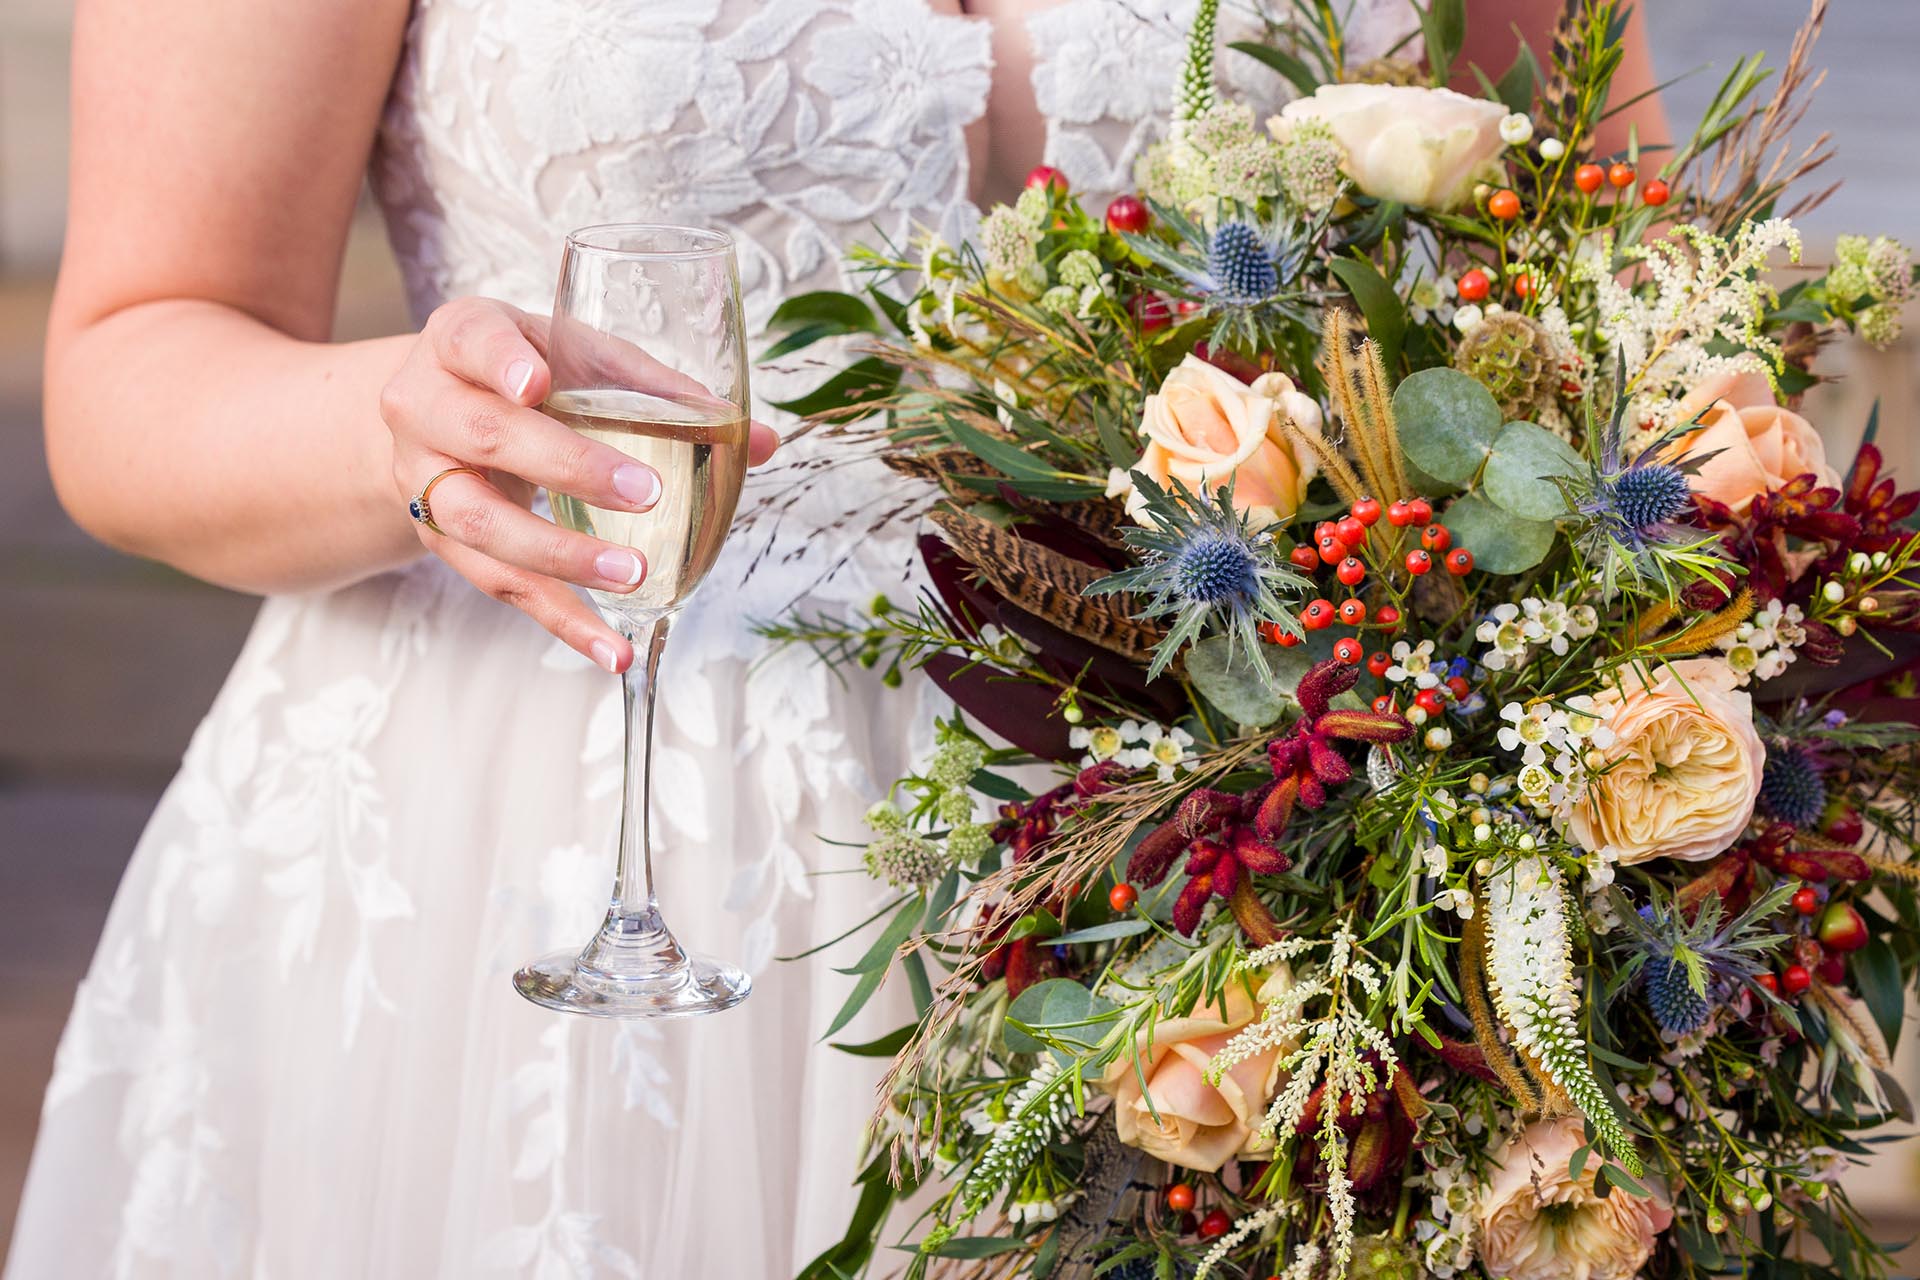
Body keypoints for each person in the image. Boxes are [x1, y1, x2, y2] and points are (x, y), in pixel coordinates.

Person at [8, 1, 1661, 1275]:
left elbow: (1625, 275)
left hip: (1282, 852)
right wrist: (406, 433)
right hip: (551, 846)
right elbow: (135, 360)